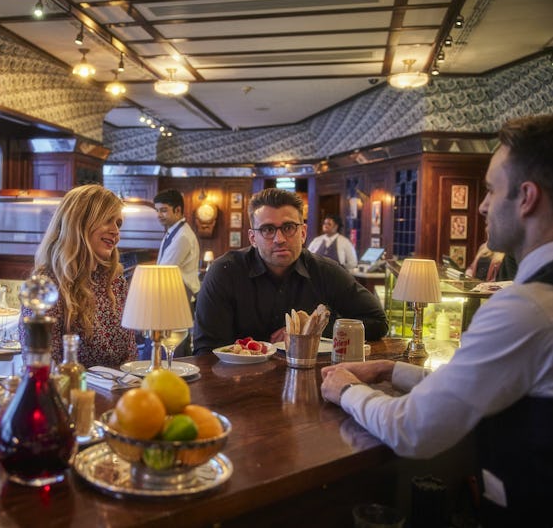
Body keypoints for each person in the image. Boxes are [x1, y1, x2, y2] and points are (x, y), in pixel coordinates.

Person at [321, 114, 553, 525]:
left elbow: (413, 430)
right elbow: (480, 382)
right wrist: (391, 369)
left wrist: (347, 389)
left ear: (527, 197)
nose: (481, 205)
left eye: (491, 190)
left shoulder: (527, 307)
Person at [193, 188, 387, 353]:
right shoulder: (225, 273)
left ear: (302, 233)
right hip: (236, 382)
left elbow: (377, 322)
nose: (279, 239)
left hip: (310, 382)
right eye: (268, 230)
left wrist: (312, 330)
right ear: (253, 238)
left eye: (288, 227)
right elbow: (205, 349)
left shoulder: (325, 271)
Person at [19, 184, 137, 369]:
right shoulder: (46, 287)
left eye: (118, 224)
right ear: (78, 223)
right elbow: (42, 366)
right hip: (70, 394)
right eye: (107, 220)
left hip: (120, 394)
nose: (116, 232)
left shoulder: (115, 282)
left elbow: (131, 354)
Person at [153, 189, 200, 300]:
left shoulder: (182, 236)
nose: (159, 215)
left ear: (177, 210)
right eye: (157, 210)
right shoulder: (174, 231)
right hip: (177, 294)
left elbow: (164, 270)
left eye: (163, 210)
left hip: (183, 295)